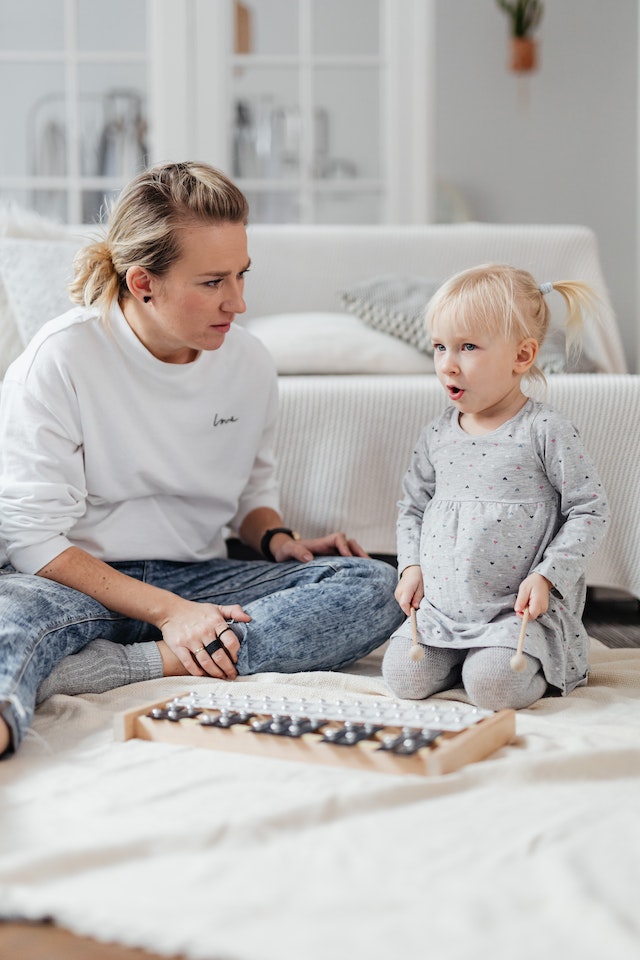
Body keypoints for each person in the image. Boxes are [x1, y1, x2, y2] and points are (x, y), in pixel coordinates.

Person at [0, 161, 403, 757]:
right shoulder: (61, 358)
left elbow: (250, 499)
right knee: (9, 622)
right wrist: (171, 613)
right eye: (213, 282)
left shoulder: (249, 363)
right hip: (80, 578)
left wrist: (277, 540)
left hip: (199, 576)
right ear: (143, 283)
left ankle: (133, 666)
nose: (237, 302)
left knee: (375, 585)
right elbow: (33, 540)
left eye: (241, 275)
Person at [382, 263, 609, 710]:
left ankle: (511, 657)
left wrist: (548, 576)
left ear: (522, 357)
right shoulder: (437, 434)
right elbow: (412, 507)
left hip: (515, 612)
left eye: (467, 347)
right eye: (439, 347)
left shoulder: (545, 430)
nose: (447, 363)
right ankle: (460, 654)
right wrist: (410, 567)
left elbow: (590, 510)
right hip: (445, 609)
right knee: (403, 677)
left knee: (493, 687)